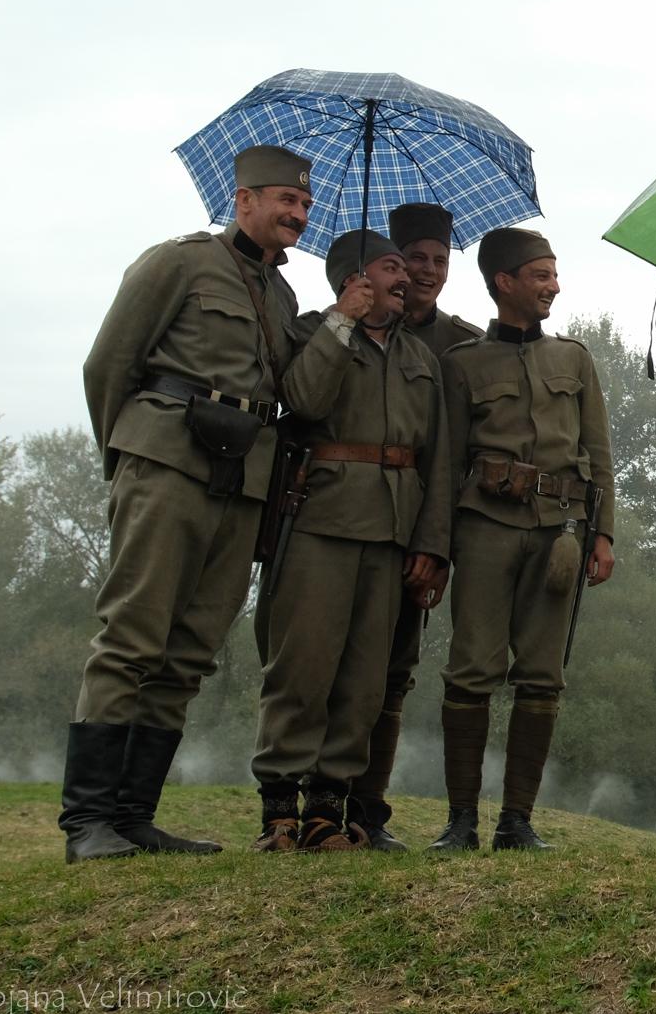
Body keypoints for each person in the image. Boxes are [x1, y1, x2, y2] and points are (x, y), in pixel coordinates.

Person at [64, 145, 309, 863]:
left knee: (190, 650)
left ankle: (134, 816)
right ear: (243, 201)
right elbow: (107, 363)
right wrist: (131, 458)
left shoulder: (283, 298)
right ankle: (87, 823)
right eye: (283, 201)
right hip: (167, 463)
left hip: (244, 481)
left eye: (303, 204)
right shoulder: (178, 262)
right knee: (132, 637)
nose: (296, 213)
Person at [250, 231, 452, 852]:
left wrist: (433, 545)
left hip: (393, 532)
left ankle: (327, 814)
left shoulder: (421, 357)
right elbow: (304, 400)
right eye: (392, 267)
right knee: (302, 666)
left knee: (365, 679)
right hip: (320, 521)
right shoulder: (316, 331)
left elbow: (438, 461)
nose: (406, 276)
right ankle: (281, 811)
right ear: (353, 279)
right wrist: (342, 321)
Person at [431, 228, 615, 852]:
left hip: (561, 532)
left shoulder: (575, 359)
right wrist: (435, 546)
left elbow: (599, 454)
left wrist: (603, 533)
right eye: (539, 275)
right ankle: (460, 822)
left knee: (542, 676)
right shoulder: (463, 365)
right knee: (471, 671)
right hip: (484, 527)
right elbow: (444, 467)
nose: (552, 286)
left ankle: (517, 822)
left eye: (554, 274)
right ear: (503, 282)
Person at [343, 202, 484, 851]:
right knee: (336, 662)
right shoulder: (353, 328)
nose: (427, 272)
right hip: (344, 519)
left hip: (420, 534)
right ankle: (315, 808)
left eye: (438, 260)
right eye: (415, 259)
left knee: (395, 671)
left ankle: (367, 810)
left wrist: (439, 545)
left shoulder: (463, 343)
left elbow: (459, 459)